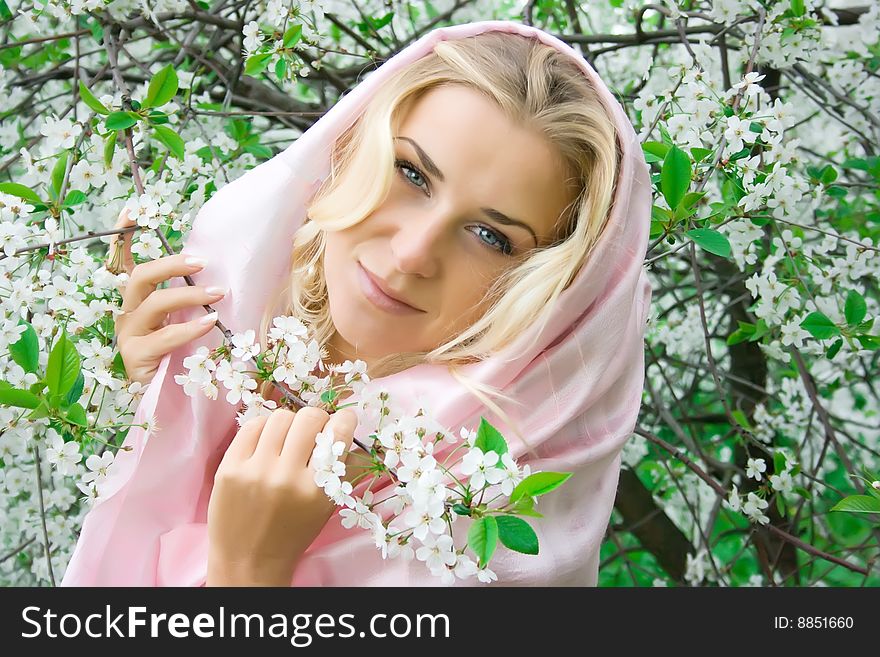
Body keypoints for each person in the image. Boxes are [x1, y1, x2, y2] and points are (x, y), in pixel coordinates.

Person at [60, 19, 652, 587]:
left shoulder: (485, 503)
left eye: (492, 237)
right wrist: (162, 404)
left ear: (554, 293)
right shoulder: (238, 320)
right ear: (349, 147)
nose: (414, 251)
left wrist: (250, 576)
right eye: (412, 173)